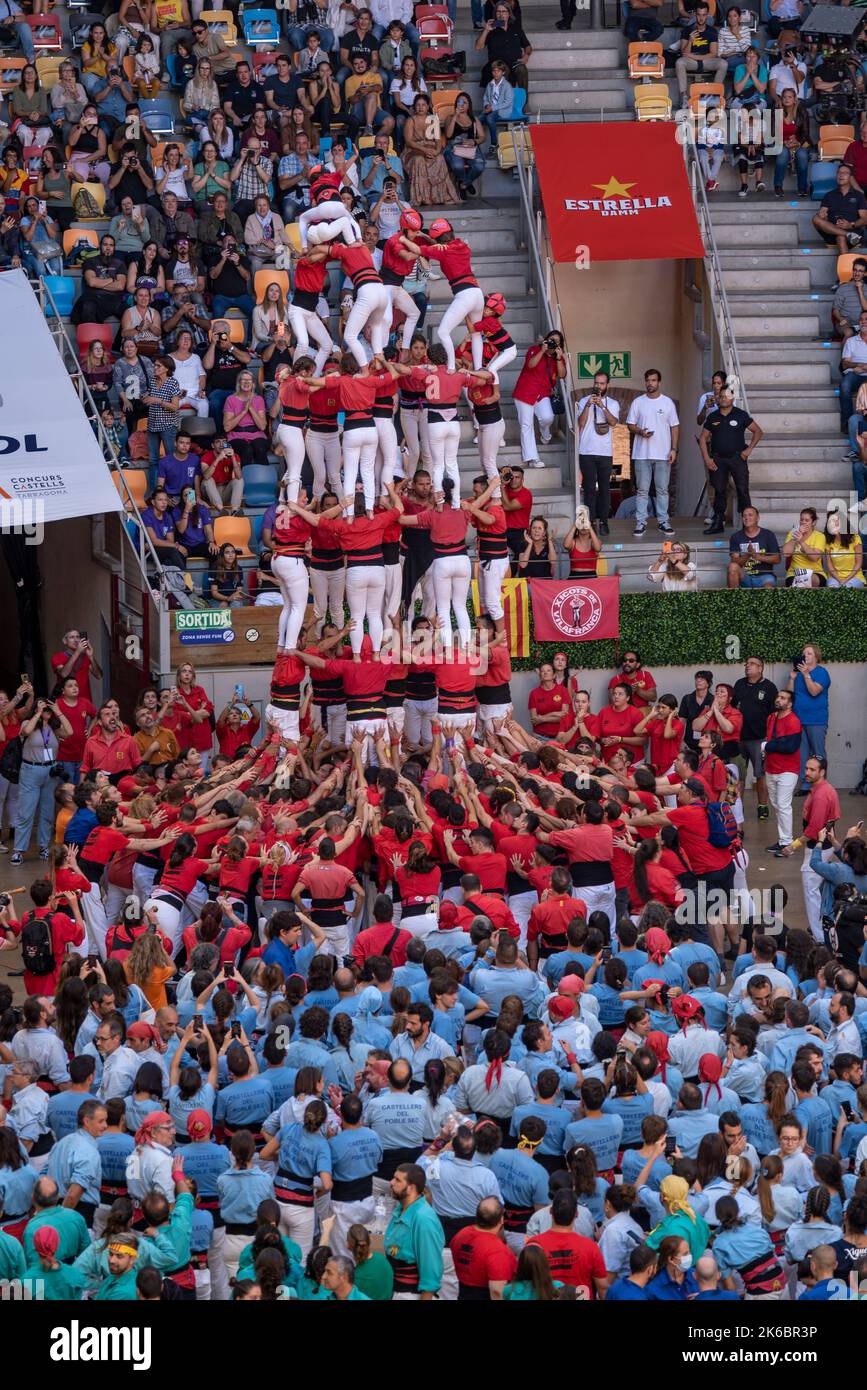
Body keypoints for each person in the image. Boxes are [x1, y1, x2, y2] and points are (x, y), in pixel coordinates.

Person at [699, 388, 764, 536]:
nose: (723, 398)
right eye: (720, 396)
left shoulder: (740, 415)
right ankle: (718, 522)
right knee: (720, 490)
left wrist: (748, 450)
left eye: (726, 396)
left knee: (742, 490)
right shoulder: (713, 416)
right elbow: (703, 438)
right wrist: (707, 458)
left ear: (732, 399)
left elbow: (758, 431)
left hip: (737, 458)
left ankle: (748, 524)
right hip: (718, 459)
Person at [626, 369, 679, 539]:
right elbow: (630, 425)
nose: (650, 383)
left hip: (663, 454)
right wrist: (641, 432)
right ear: (645, 382)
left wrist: (674, 449)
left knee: (662, 490)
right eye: (648, 380)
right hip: (642, 454)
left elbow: (674, 427)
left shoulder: (668, 403)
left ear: (659, 382)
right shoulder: (638, 402)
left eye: (654, 380)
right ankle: (641, 522)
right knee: (642, 491)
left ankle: (663, 521)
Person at [786, 644, 831, 793]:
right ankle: (805, 785)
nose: (806, 655)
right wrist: (792, 679)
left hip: (816, 720)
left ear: (816, 657)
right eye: (804, 653)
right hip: (798, 719)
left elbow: (814, 692)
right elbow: (788, 695)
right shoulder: (798, 673)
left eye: (809, 653)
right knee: (802, 754)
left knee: (818, 753)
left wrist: (806, 674)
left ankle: (820, 785)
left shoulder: (822, 673)